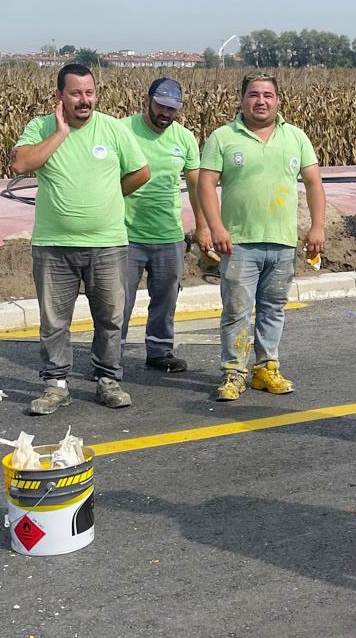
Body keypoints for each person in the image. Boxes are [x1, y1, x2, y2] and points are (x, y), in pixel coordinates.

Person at [11, 63, 149, 416]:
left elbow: (140, 172)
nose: (84, 100)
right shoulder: (41, 127)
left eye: (89, 92)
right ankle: (56, 384)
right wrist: (59, 133)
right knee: (54, 321)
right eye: (76, 93)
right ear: (60, 96)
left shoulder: (113, 129)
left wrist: (110, 196)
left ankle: (108, 380)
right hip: (54, 245)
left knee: (110, 317)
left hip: (108, 243)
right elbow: (21, 164)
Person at [197, 72, 325, 401]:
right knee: (237, 310)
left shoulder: (296, 137)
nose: (261, 101)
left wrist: (317, 226)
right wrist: (216, 227)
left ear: (278, 100)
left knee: (273, 309)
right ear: (242, 100)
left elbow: (313, 183)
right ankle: (233, 373)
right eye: (254, 94)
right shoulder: (223, 137)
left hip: (282, 242)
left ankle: (266, 368)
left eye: (268, 95)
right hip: (238, 242)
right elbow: (206, 184)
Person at [120, 77, 207, 373]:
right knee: (118, 301)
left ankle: (159, 351)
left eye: (173, 109)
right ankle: (109, 355)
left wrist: (202, 226)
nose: (166, 113)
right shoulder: (123, 130)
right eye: (161, 106)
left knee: (166, 298)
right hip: (126, 233)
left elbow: (196, 187)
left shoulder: (184, 139)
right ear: (146, 100)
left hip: (168, 234)